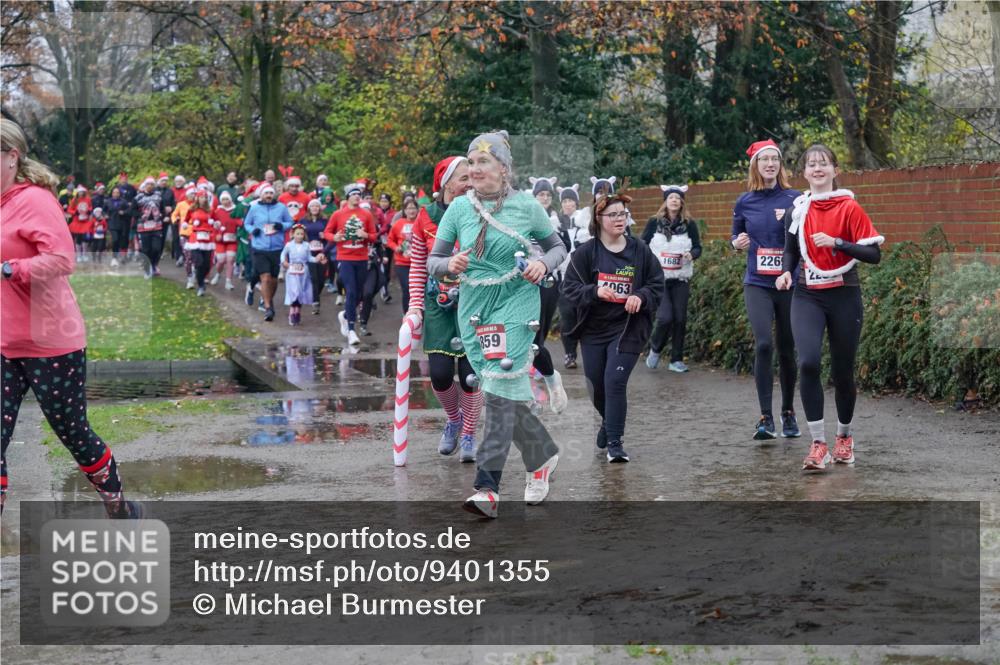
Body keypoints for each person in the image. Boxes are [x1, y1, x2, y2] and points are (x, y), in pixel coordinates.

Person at [0, 118, 140, 518]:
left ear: (12, 157)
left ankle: (119, 508)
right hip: (3, 341)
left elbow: (62, 259)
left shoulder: (35, 200)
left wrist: (11, 269)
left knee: (74, 434)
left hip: (49, 341)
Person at [427, 131, 567, 518]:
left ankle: (486, 489)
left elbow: (558, 247)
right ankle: (541, 457)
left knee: (502, 391)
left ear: (504, 169)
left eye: (482, 163)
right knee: (497, 391)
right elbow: (433, 261)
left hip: (517, 301)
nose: (473, 170)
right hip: (474, 305)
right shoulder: (457, 210)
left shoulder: (526, 207)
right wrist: (448, 266)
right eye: (470, 164)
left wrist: (543, 263)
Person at [775, 144, 883, 471]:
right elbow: (791, 251)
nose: (817, 168)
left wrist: (837, 243)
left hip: (844, 294)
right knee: (807, 362)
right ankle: (818, 443)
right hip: (808, 294)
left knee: (842, 370)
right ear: (804, 173)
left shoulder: (849, 207)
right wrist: (784, 271)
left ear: (835, 170)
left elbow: (874, 255)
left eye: (824, 163)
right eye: (811, 164)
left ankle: (844, 437)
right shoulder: (798, 209)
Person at [563, 192, 663, 462]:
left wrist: (639, 296)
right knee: (597, 386)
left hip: (628, 327)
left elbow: (656, 283)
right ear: (599, 219)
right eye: (613, 215)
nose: (620, 219)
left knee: (614, 381)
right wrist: (595, 292)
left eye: (623, 214)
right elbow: (569, 289)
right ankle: (608, 422)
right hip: (594, 330)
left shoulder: (639, 249)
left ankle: (615, 444)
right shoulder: (586, 254)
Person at [407, 156, 483, 463]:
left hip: (474, 303)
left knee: (469, 377)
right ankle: (453, 419)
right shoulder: (425, 216)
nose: (470, 182)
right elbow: (416, 265)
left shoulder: (481, 212)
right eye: (464, 178)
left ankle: (468, 433)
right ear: (446, 183)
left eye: (472, 177)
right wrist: (415, 306)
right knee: (439, 375)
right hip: (438, 304)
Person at [731, 139, 803, 440]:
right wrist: (737, 244)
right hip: (757, 283)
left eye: (775, 159)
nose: (770, 164)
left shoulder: (796, 198)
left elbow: (804, 239)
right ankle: (765, 417)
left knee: (787, 348)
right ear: (755, 166)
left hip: (788, 283)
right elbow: (736, 235)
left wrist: (789, 222)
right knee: (763, 344)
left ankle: (788, 412)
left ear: (780, 165)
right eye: (765, 160)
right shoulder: (744, 201)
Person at [642, 184, 702, 372]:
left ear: (682, 201)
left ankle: (676, 359)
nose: (674, 200)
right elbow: (642, 244)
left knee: (680, 319)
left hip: (680, 278)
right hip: (659, 279)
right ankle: (655, 349)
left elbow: (698, 247)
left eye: (678, 197)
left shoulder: (689, 224)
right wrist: (651, 261)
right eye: (671, 198)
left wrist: (691, 255)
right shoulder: (654, 222)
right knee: (665, 317)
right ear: (665, 202)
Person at [324, 182, 376, 345]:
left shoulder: (366, 214)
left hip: (361, 258)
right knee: (351, 291)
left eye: (359, 195)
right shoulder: (338, 214)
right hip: (345, 258)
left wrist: (365, 234)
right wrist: (335, 238)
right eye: (354, 194)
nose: (357, 197)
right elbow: (327, 232)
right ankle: (352, 330)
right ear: (347, 197)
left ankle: (345, 316)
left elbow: (374, 236)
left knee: (359, 294)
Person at [242, 182, 293, 321]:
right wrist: (254, 230)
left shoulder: (281, 208)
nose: (269, 195)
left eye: (271, 193)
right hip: (260, 247)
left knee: (274, 280)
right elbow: (247, 223)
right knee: (265, 278)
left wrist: (281, 226)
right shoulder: (254, 208)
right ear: (261, 195)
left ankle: (268, 299)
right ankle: (268, 307)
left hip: (277, 248)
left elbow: (290, 222)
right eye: (266, 193)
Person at [556, 184, 583, 369]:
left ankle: (588, 352)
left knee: (583, 315)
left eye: (571, 200)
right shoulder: (554, 223)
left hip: (582, 278)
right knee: (567, 317)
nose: (568, 204)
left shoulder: (584, 222)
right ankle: (569, 354)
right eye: (565, 201)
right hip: (563, 276)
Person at [281, 223, 318, 326]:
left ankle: (298, 312)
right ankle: (291, 312)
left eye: (301, 234)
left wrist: (316, 259)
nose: (299, 236)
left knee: (301, 291)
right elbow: (283, 254)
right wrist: (284, 262)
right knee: (294, 291)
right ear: (293, 234)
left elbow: (309, 257)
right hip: (292, 270)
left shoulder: (306, 245)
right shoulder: (289, 245)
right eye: (297, 234)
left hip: (303, 271)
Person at [387, 197, 418, 314]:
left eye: (414, 208)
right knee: (407, 288)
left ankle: (419, 315)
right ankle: (407, 315)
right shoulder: (399, 223)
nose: (411, 211)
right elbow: (390, 240)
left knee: (418, 290)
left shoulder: (421, 223)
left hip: (418, 263)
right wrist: (396, 247)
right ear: (404, 211)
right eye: (409, 208)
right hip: (402, 263)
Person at [134, 176, 168, 277]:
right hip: (143, 226)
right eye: (148, 184)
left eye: (152, 184)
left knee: (156, 248)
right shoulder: (138, 197)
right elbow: (132, 210)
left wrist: (163, 216)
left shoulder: (158, 196)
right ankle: (147, 269)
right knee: (146, 249)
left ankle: (154, 264)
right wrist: (140, 215)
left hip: (156, 226)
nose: (150, 186)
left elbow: (163, 208)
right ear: (145, 185)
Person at [300, 198, 328, 314]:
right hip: (309, 252)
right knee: (314, 277)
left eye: (317, 206)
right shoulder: (304, 220)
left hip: (322, 251)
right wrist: (303, 237)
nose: (315, 208)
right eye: (313, 206)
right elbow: (297, 234)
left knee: (321, 279)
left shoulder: (325, 220)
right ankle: (315, 302)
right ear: (309, 208)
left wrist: (325, 235)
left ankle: (315, 293)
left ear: (320, 208)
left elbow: (330, 234)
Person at [209, 190, 241, 290]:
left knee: (230, 259)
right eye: (223, 199)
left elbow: (240, 222)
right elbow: (213, 225)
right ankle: (218, 274)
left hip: (232, 239)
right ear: (220, 201)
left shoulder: (235, 210)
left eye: (227, 199)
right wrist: (216, 235)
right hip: (220, 240)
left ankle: (228, 281)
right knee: (221, 260)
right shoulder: (217, 211)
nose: (225, 201)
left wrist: (239, 229)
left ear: (230, 200)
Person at [187, 189, 216, 296]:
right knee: (199, 262)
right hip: (195, 238)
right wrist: (186, 224)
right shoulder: (192, 209)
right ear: (197, 198)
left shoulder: (210, 210)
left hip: (207, 239)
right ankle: (201, 285)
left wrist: (215, 224)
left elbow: (216, 220)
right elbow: (185, 220)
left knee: (207, 264)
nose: (203, 199)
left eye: (205, 197)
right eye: (201, 197)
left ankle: (200, 277)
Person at [105, 186, 132, 267]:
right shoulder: (108, 201)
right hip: (112, 223)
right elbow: (103, 210)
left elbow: (129, 210)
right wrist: (105, 215)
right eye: (114, 192)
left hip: (122, 224)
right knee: (115, 240)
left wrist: (124, 212)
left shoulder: (124, 202)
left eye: (117, 192)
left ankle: (121, 256)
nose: (116, 194)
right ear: (112, 193)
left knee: (121, 241)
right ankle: (114, 258)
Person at [67, 187, 93, 261]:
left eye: (82, 192)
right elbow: (69, 210)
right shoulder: (74, 200)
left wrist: (89, 211)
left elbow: (90, 207)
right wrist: (75, 212)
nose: (81, 193)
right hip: (77, 222)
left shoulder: (88, 199)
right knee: (78, 239)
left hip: (86, 222)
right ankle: (79, 255)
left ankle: (84, 254)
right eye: (80, 192)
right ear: (77, 193)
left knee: (85, 239)